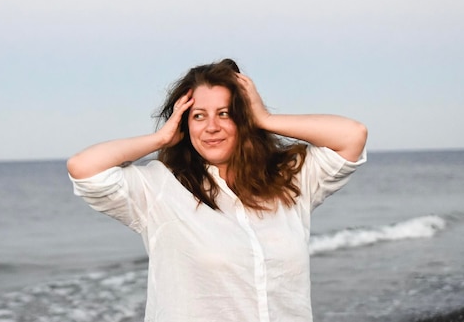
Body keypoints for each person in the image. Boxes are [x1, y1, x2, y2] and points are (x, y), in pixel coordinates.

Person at [67, 58, 367, 322]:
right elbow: (84, 167)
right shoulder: (159, 187)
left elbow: (352, 136)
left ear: (243, 118)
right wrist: (160, 139)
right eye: (199, 115)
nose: (211, 126)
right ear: (184, 123)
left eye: (225, 113)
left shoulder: (291, 180)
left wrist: (266, 119)